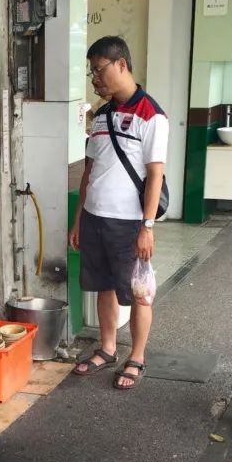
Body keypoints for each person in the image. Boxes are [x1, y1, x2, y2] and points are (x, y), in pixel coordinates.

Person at [68, 36, 167, 390]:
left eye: (99, 70)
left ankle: (136, 356)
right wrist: (79, 218)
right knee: (103, 287)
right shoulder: (102, 115)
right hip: (94, 218)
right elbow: (88, 172)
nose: (94, 78)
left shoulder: (151, 115)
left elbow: (155, 174)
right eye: (91, 72)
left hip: (129, 223)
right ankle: (107, 347)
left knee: (139, 290)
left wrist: (147, 226)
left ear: (122, 65)